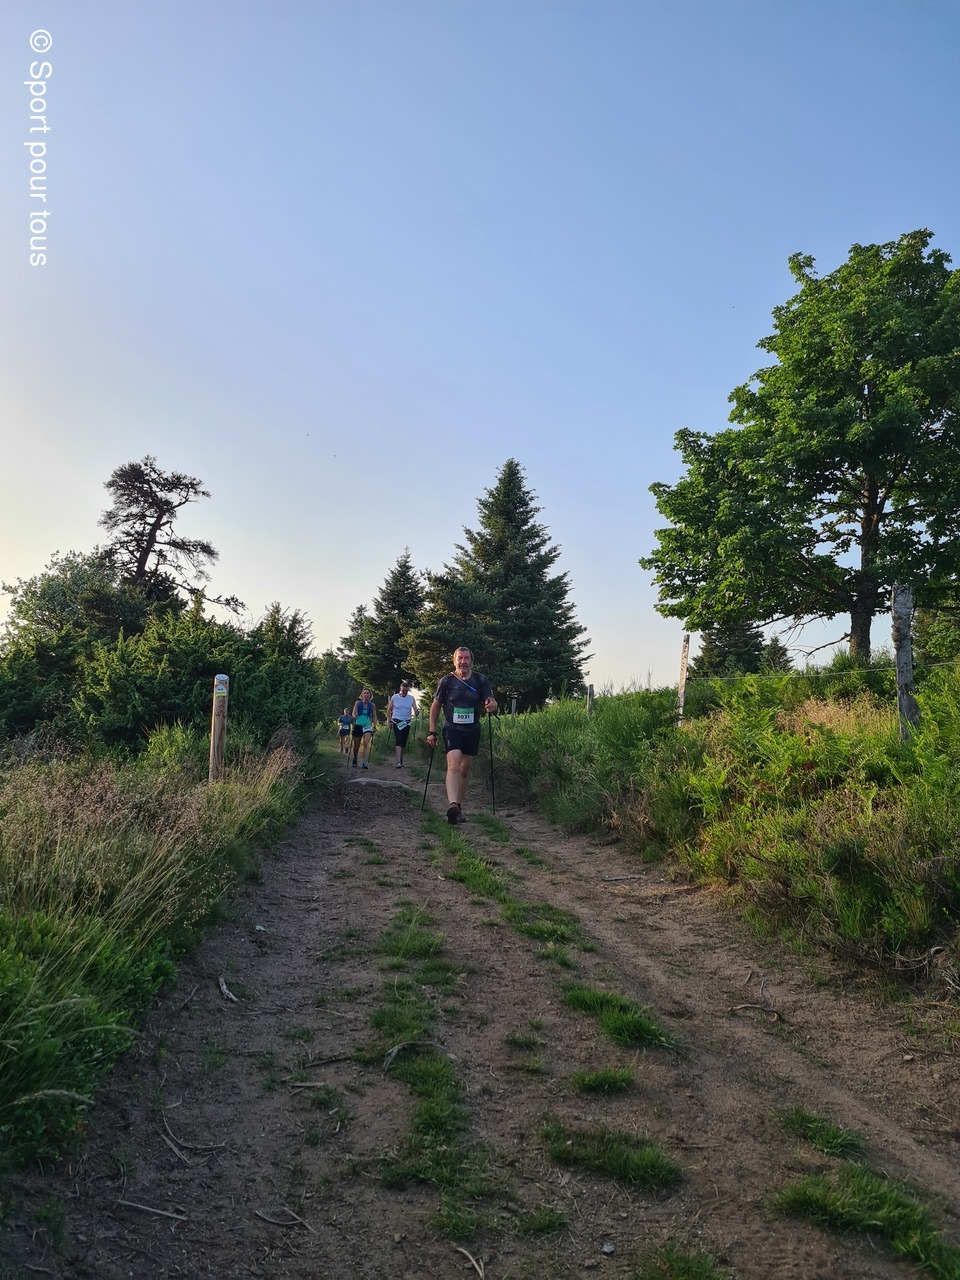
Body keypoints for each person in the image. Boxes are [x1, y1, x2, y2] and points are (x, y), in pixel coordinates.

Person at [427, 646, 497, 823]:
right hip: (452, 728)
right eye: (460, 658)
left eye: (466, 658)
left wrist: (491, 705)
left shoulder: (480, 679)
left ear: (471, 661)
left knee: (464, 769)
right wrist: (432, 732)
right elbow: (435, 707)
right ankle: (452, 805)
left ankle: (458, 806)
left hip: (472, 730)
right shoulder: (446, 681)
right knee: (454, 764)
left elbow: (491, 701)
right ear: (454, 661)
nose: (463, 661)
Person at [386, 680, 419, 768]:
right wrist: (389, 721)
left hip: (406, 722)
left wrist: (416, 711)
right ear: (400, 689)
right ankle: (398, 762)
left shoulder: (411, 698)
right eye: (403, 690)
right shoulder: (395, 697)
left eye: (406, 691)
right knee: (399, 740)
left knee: (403, 742)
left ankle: (401, 759)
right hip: (396, 722)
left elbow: (415, 708)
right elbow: (389, 709)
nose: (404, 692)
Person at [350, 688, 377, 769]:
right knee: (356, 744)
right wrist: (354, 716)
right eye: (364, 693)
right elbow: (353, 712)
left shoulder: (372, 705)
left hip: (367, 726)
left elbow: (374, 716)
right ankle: (355, 758)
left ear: (370, 695)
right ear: (361, 695)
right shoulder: (358, 703)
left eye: (367, 693)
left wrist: (374, 726)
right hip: (358, 724)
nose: (366, 694)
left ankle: (364, 762)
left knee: (366, 743)